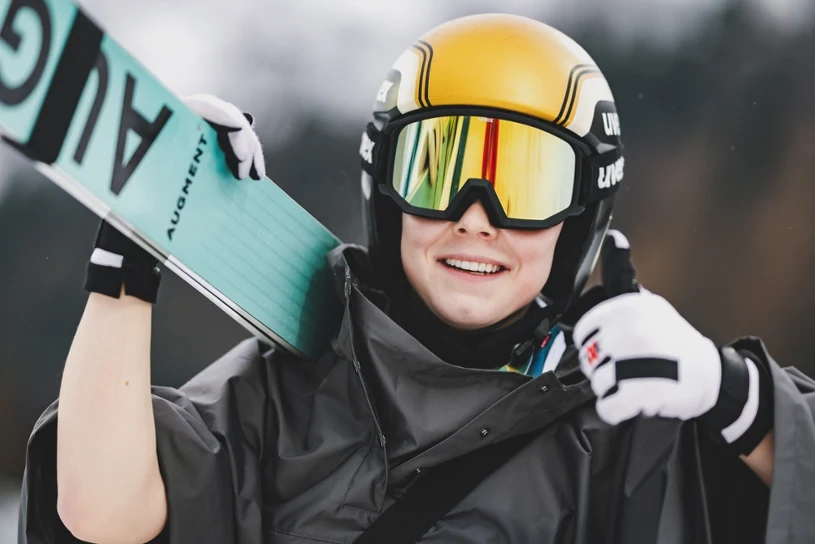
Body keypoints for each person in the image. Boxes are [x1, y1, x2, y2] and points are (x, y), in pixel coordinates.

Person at [16, 13, 815, 544]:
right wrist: (136, 241)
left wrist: (731, 394)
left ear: (578, 218)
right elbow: (103, 515)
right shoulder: (291, 391)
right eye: (439, 170)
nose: (477, 215)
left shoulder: (640, 425)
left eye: (525, 183)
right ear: (386, 191)